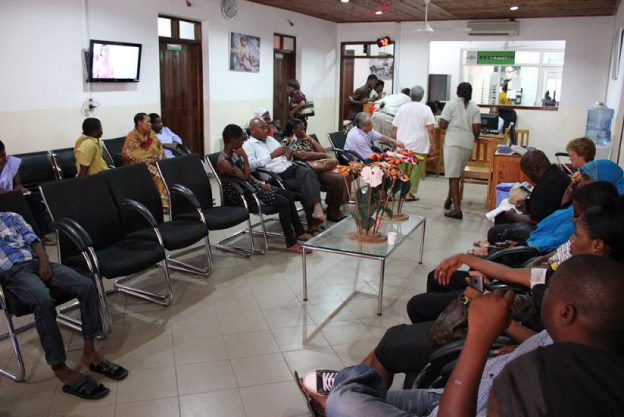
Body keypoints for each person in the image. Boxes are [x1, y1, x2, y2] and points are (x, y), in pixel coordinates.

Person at [300, 254, 624, 417]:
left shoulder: (551, 384)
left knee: (344, 398)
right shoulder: (575, 345)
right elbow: (535, 339)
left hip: (462, 402)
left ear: (566, 312)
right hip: (452, 395)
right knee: (360, 392)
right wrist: (507, 327)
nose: (543, 292)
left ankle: (345, 386)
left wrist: (480, 336)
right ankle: (349, 384)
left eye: (549, 291)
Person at [0, 211, 128, 399]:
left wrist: (44, 262)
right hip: (13, 273)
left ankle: (89, 352)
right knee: (43, 300)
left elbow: (34, 240)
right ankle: (59, 367)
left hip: (36, 262)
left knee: (87, 286)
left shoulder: (10, 216)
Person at [217, 124, 312, 253]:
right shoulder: (224, 162)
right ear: (233, 140)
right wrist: (245, 157)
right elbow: (244, 177)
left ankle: (299, 231)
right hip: (243, 194)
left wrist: (260, 182)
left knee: (288, 195)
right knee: (283, 202)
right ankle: (291, 242)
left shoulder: (233, 154)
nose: (242, 142)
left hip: (251, 187)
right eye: (240, 139)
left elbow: (249, 176)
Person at [243, 117, 326, 232]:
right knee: (304, 187)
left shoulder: (271, 140)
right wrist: (271, 156)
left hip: (288, 167)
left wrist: (288, 155)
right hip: (275, 175)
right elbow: (250, 165)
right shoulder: (248, 145)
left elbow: (283, 154)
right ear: (252, 130)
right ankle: (313, 221)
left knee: (308, 172)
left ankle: (316, 209)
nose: (266, 130)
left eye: (266, 127)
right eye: (262, 128)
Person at [526, 159, 624, 253]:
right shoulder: (581, 203)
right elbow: (562, 210)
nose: (579, 183)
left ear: (603, 181)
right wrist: (569, 190)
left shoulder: (596, 213)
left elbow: (555, 240)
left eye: (586, 178)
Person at [487, 150, 569, 245]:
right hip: (553, 222)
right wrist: (527, 203)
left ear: (534, 170)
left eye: (527, 174)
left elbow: (536, 220)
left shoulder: (546, 186)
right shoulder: (557, 173)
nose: (529, 178)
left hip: (546, 230)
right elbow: (545, 205)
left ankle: (497, 251)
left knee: (494, 231)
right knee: (502, 217)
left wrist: (514, 216)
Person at [282, 118, 348, 222]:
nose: (304, 131)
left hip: (319, 167)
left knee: (341, 176)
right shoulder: (287, 141)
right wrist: (321, 155)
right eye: (302, 129)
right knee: (337, 178)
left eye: (304, 128)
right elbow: (301, 155)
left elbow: (321, 150)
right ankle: (332, 212)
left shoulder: (306, 139)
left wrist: (310, 139)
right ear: (294, 131)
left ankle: (333, 210)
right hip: (305, 170)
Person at [0, 140, 54, 246]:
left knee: (34, 199)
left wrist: (20, 188)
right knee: (19, 205)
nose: (2, 159)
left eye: (3, 155)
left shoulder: (11, 162)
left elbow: (18, 184)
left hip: (13, 196)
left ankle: (40, 236)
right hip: (3, 199)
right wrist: (11, 192)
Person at [440, 82, 481, 219]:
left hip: (453, 143)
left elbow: (442, 125)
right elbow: (477, 130)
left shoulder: (450, 105)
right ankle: (448, 200)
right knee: (456, 174)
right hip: (467, 145)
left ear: (457, 92)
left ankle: (457, 210)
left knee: (453, 176)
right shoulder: (475, 107)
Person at [391, 85, 436, 201]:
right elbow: (431, 129)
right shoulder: (426, 109)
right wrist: (433, 145)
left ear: (410, 95)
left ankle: (397, 191)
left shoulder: (402, 108)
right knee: (415, 171)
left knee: (401, 170)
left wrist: (394, 144)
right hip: (419, 145)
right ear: (422, 96)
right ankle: (410, 194)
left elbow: (394, 129)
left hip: (402, 144)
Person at [121, 113, 167, 208]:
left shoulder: (151, 134)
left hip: (155, 161)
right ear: (140, 123)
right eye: (148, 122)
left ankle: (170, 197)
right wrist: (150, 160)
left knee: (168, 167)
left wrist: (161, 158)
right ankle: (162, 203)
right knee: (157, 173)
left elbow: (159, 147)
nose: (151, 124)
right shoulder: (132, 136)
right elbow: (127, 154)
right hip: (137, 166)